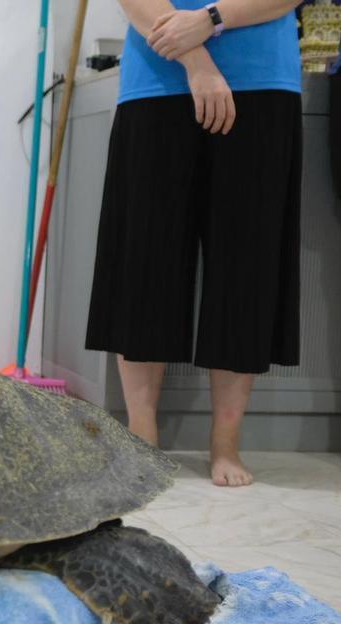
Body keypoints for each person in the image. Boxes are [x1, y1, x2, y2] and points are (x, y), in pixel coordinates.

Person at [86, 0, 304, 486]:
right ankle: (141, 434)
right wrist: (195, 60)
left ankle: (226, 442)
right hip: (157, 76)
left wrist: (210, 19)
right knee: (145, 258)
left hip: (262, 78)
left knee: (246, 263)